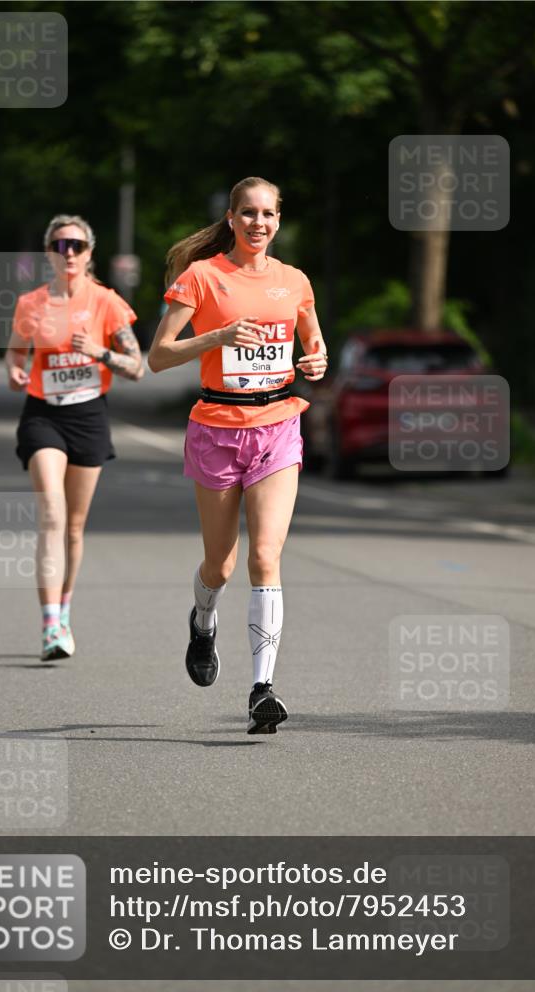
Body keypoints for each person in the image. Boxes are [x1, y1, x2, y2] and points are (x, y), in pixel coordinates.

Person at [148, 176, 327, 733]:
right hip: (217, 426)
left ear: (278, 220)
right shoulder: (201, 277)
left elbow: (313, 345)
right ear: (231, 218)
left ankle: (262, 689)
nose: (258, 223)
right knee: (220, 563)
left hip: (278, 424)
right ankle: (204, 621)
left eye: (268, 214)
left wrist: (316, 364)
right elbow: (158, 356)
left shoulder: (294, 281)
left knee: (264, 557)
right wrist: (216, 338)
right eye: (248, 213)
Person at [5, 214, 144, 661]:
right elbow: (14, 351)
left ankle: (64, 612)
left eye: (77, 246)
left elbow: (137, 365)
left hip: (88, 416)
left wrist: (99, 351)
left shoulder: (106, 302)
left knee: (75, 526)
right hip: (42, 415)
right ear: (49, 252)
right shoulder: (31, 304)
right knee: (51, 511)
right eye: (61, 245)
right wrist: (14, 369)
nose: (69, 254)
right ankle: (49, 625)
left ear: (89, 253)